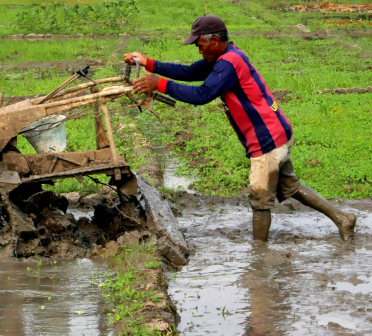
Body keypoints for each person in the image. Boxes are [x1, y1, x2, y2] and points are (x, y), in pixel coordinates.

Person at [124, 14, 357, 242]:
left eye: (200, 45)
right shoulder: (227, 56)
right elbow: (190, 73)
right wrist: (148, 63)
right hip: (277, 132)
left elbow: (203, 95)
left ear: (215, 41)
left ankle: (259, 259)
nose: (199, 50)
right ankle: (342, 218)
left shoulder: (229, 63)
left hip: (266, 140)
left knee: (260, 202)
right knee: (290, 186)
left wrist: (160, 84)